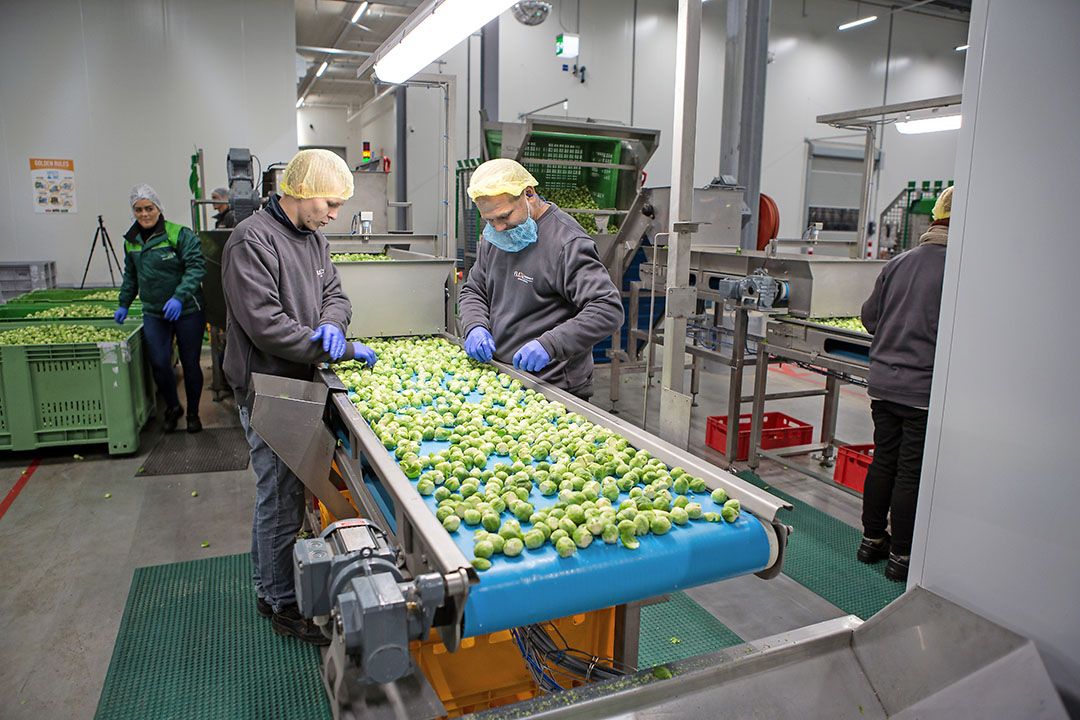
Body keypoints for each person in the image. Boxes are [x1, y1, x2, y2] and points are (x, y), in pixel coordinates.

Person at [222, 149, 378, 645]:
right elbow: (266, 327)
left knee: (288, 492)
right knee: (279, 496)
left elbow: (336, 293)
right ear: (301, 191)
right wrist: (337, 347)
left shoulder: (313, 239)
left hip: (303, 380)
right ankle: (278, 601)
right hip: (268, 384)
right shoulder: (252, 241)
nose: (334, 215)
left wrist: (333, 324)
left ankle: (273, 586)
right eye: (329, 203)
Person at [458, 159, 623, 399]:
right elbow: (474, 290)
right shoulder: (495, 237)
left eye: (504, 217)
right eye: (490, 220)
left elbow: (608, 308)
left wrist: (550, 344)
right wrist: (474, 325)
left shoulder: (567, 242)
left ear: (529, 194)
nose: (499, 228)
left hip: (553, 388)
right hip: (501, 377)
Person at [857, 185, 953, 583]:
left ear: (933, 219)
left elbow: (869, 317)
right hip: (922, 392)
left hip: (883, 384)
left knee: (884, 460)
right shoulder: (961, 269)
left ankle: (871, 540)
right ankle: (901, 557)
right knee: (910, 472)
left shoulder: (898, 262)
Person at [115, 184, 206, 433]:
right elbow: (131, 276)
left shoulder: (179, 234)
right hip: (154, 312)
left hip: (187, 310)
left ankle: (194, 414)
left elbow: (196, 267)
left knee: (190, 363)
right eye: (138, 209)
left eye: (149, 208)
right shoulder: (131, 242)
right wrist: (123, 303)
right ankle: (173, 407)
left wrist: (179, 297)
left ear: (158, 208)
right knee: (159, 362)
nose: (144, 214)